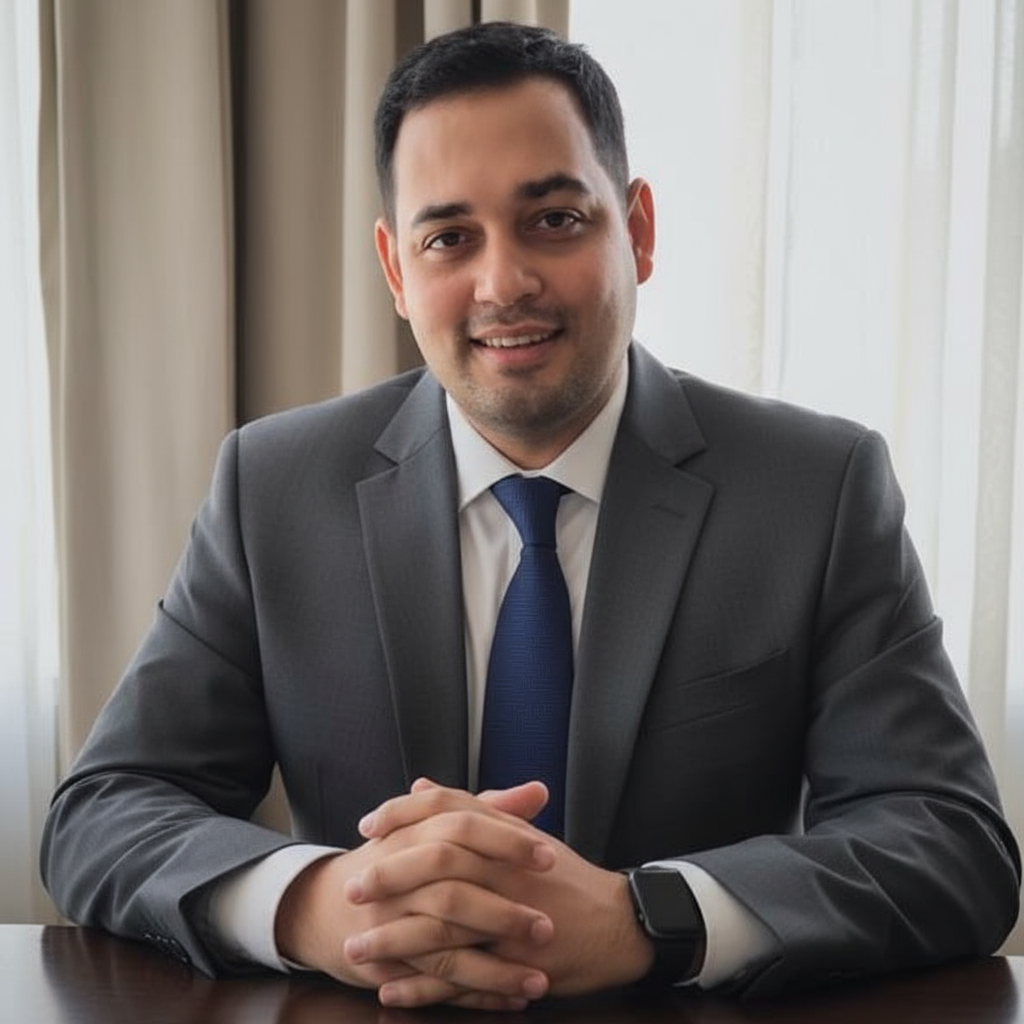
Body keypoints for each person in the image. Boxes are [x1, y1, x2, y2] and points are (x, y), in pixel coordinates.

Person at [41, 21, 1020, 1014]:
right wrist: (321, 904)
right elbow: (104, 810)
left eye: (552, 220)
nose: (502, 283)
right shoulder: (272, 486)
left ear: (635, 229)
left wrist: (649, 917)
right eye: (448, 237)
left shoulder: (817, 487)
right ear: (395, 269)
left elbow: (949, 841)